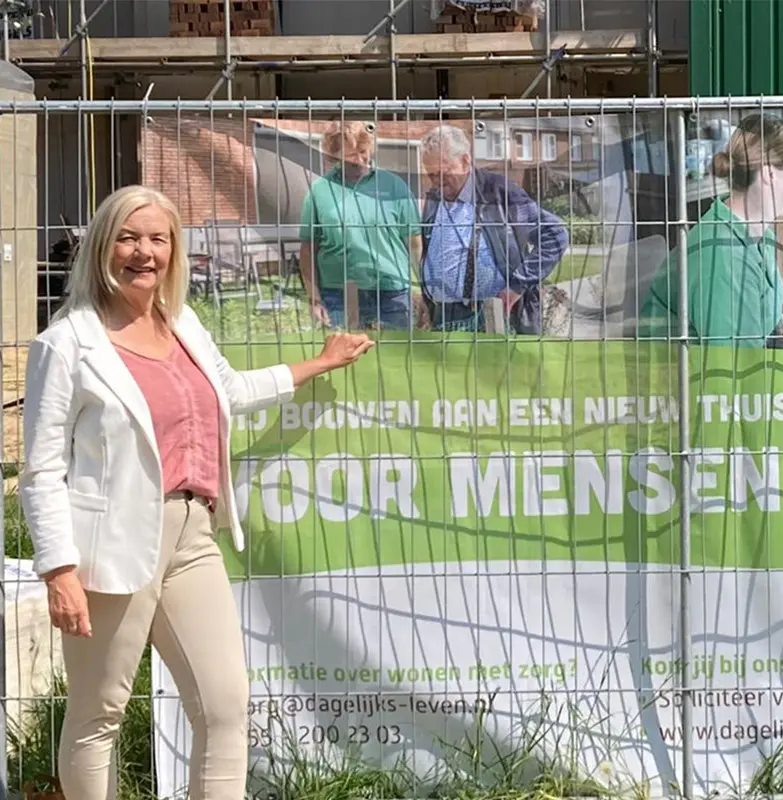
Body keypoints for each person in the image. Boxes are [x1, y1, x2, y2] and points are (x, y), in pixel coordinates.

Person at [19, 185, 374, 798]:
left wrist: (316, 365)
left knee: (225, 705)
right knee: (99, 714)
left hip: (194, 535)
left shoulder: (181, 323)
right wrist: (59, 570)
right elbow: (42, 470)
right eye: (128, 238)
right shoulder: (67, 343)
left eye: (158, 239)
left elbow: (229, 390)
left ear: (174, 250)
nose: (144, 252)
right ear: (102, 246)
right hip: (110, 547)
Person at [641, 113, 783, 347]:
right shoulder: (724, 258)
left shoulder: (754, 231)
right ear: (769, 174)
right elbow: (732, 363)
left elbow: (767, 293)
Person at [417, 124, 571, 333]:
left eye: (444, 173)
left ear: (465, 161)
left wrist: (518, 284)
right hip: (444, 317)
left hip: (494, 315)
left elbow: (555, 235)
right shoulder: (434, 198)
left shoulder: (500, 193)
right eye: (431, 175)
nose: (437, 182)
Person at [298, 120, 424, 330]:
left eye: (363, 152)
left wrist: (425, 291)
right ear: (334, 157)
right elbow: (308, 250)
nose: (359, 160)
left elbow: (414, 243)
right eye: (350, 155)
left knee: (397, 351)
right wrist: (314, 298)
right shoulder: (319, 191)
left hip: (392, 294)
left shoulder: (394, 186)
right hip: (339, 294)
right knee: (345, 351)